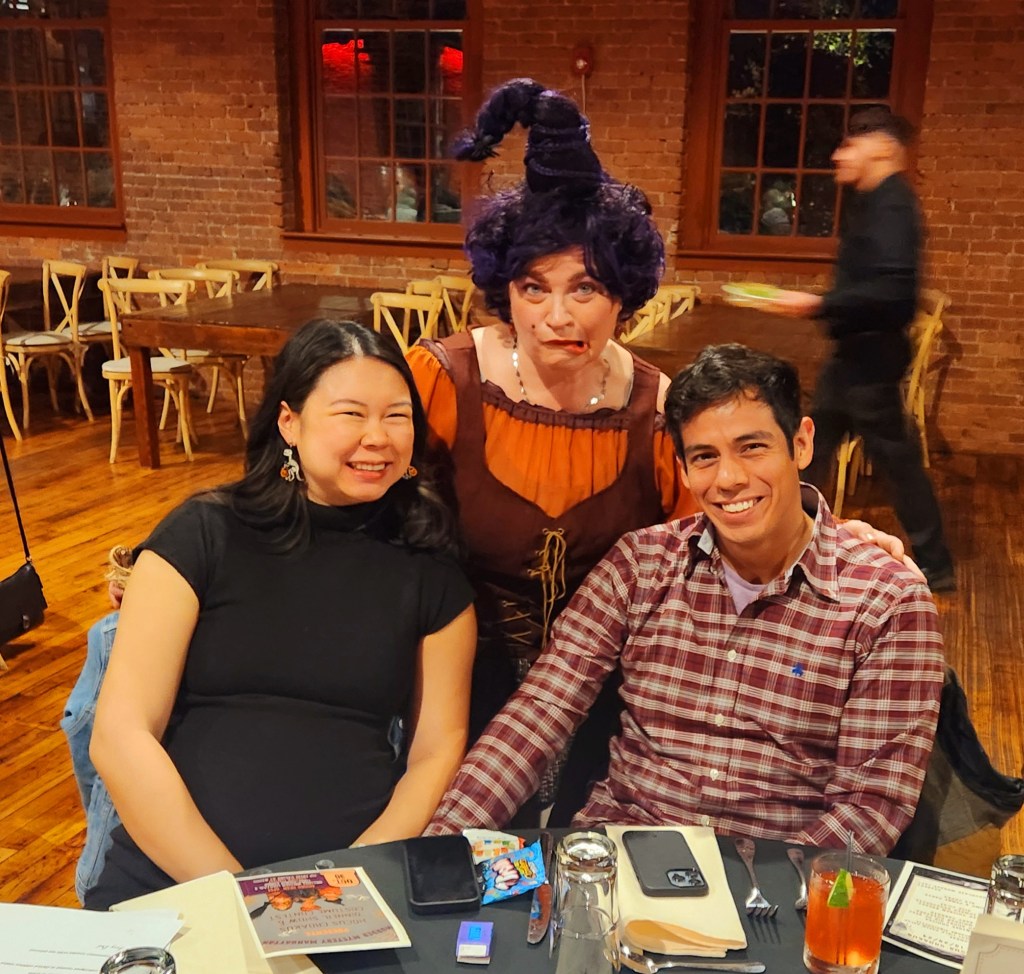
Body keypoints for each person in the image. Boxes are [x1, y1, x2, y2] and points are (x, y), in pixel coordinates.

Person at [406, 80, 911, 823]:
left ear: (623, 293)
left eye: (585, 289)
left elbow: (724, 525)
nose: (556, 317)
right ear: (503, 290)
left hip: (613, 694)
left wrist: (827, 535)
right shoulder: (443, 380)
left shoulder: (656, 411)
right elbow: (364, 503)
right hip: (451, 678)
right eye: (533, 288)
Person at [426, 344, 945, 855]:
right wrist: (435, 849)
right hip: (619, 863)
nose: (729, 479)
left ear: (801, 443)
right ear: (682, 468)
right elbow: (537, 716)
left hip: (774, 878)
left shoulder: (886, 599)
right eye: (704, 457)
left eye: (752, 447)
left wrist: (755, 893)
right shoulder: (640, 564)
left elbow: (870, 807)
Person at [83, 319, 476, 909]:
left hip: (343, 893)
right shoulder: (203, 533)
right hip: (177, 877)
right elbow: (120, 734)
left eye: (397, 416)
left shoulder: (430, 568)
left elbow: (435, 752)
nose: (377, 437)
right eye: (350, 414)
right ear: (289, 422)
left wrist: (352, 880)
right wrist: (240, 897)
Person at [770, 108, 955, 592]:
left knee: (891, 459)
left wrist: (819, 304)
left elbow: (895, 294)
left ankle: (935, 565)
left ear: (882, 148)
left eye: (850, 144)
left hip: (870, 360)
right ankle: (792, 541)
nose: (838, 155)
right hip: (856, 357)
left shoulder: (894, 206)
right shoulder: (875, 202)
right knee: (814, 446)